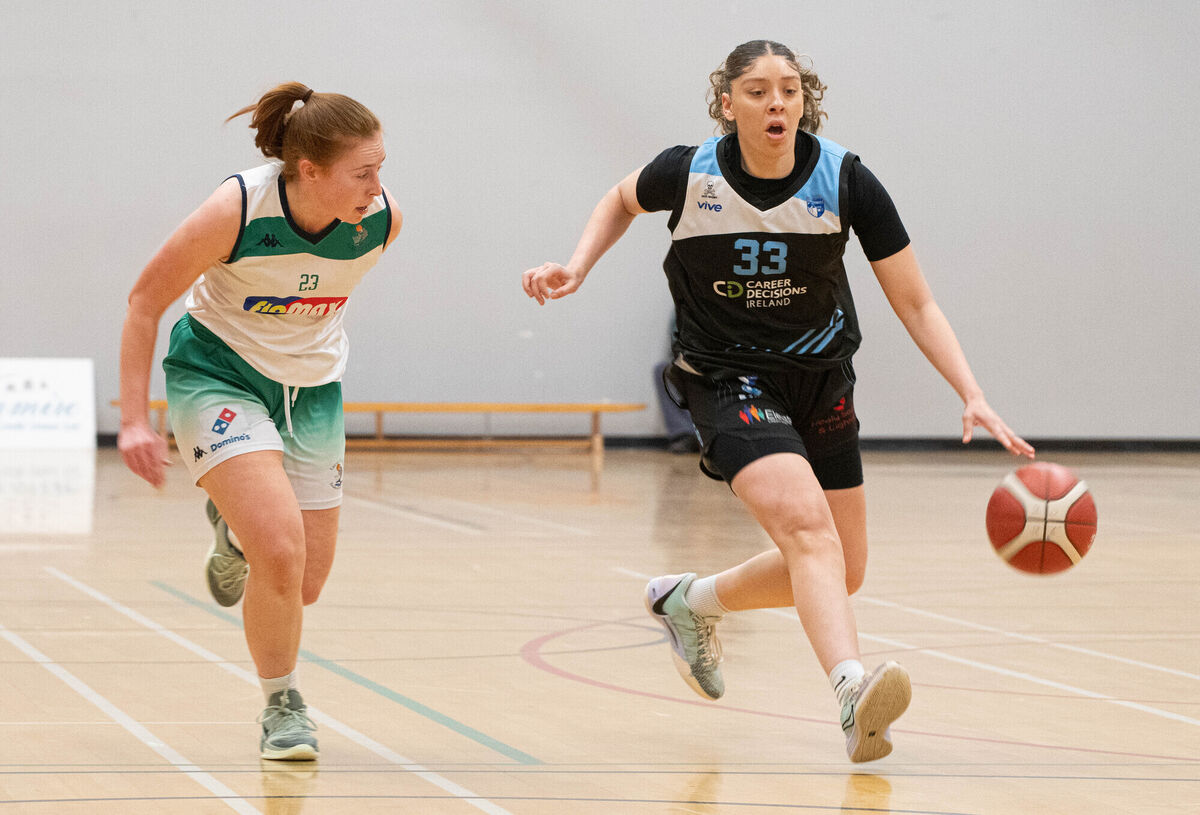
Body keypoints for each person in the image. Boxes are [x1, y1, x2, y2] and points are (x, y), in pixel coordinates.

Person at [522, 40, 1034, 763]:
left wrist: (972, 391)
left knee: (841, 566)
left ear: (805, 100)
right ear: (727, 103)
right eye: (759, 91)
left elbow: (916, 301)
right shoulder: (689, 172)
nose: (778, 104)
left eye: (790, 90)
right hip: (728, 379)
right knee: (807, 529)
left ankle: (689, 602)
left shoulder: (847, 180)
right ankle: (853, 693)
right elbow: (620, 198)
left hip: (821, 380)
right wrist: (576, 265)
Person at [118, 82, 401, 760]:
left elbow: (312, 293)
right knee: (280, 547)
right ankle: (283, 704)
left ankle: (232, 529)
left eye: (381, 168)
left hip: (312, 389)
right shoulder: (236, 210)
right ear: (309, 171)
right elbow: (143, 301)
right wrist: (133, 419)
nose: (377, 184)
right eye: (362, 172)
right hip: (218, 372)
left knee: (304, 580)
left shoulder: (382, 221)